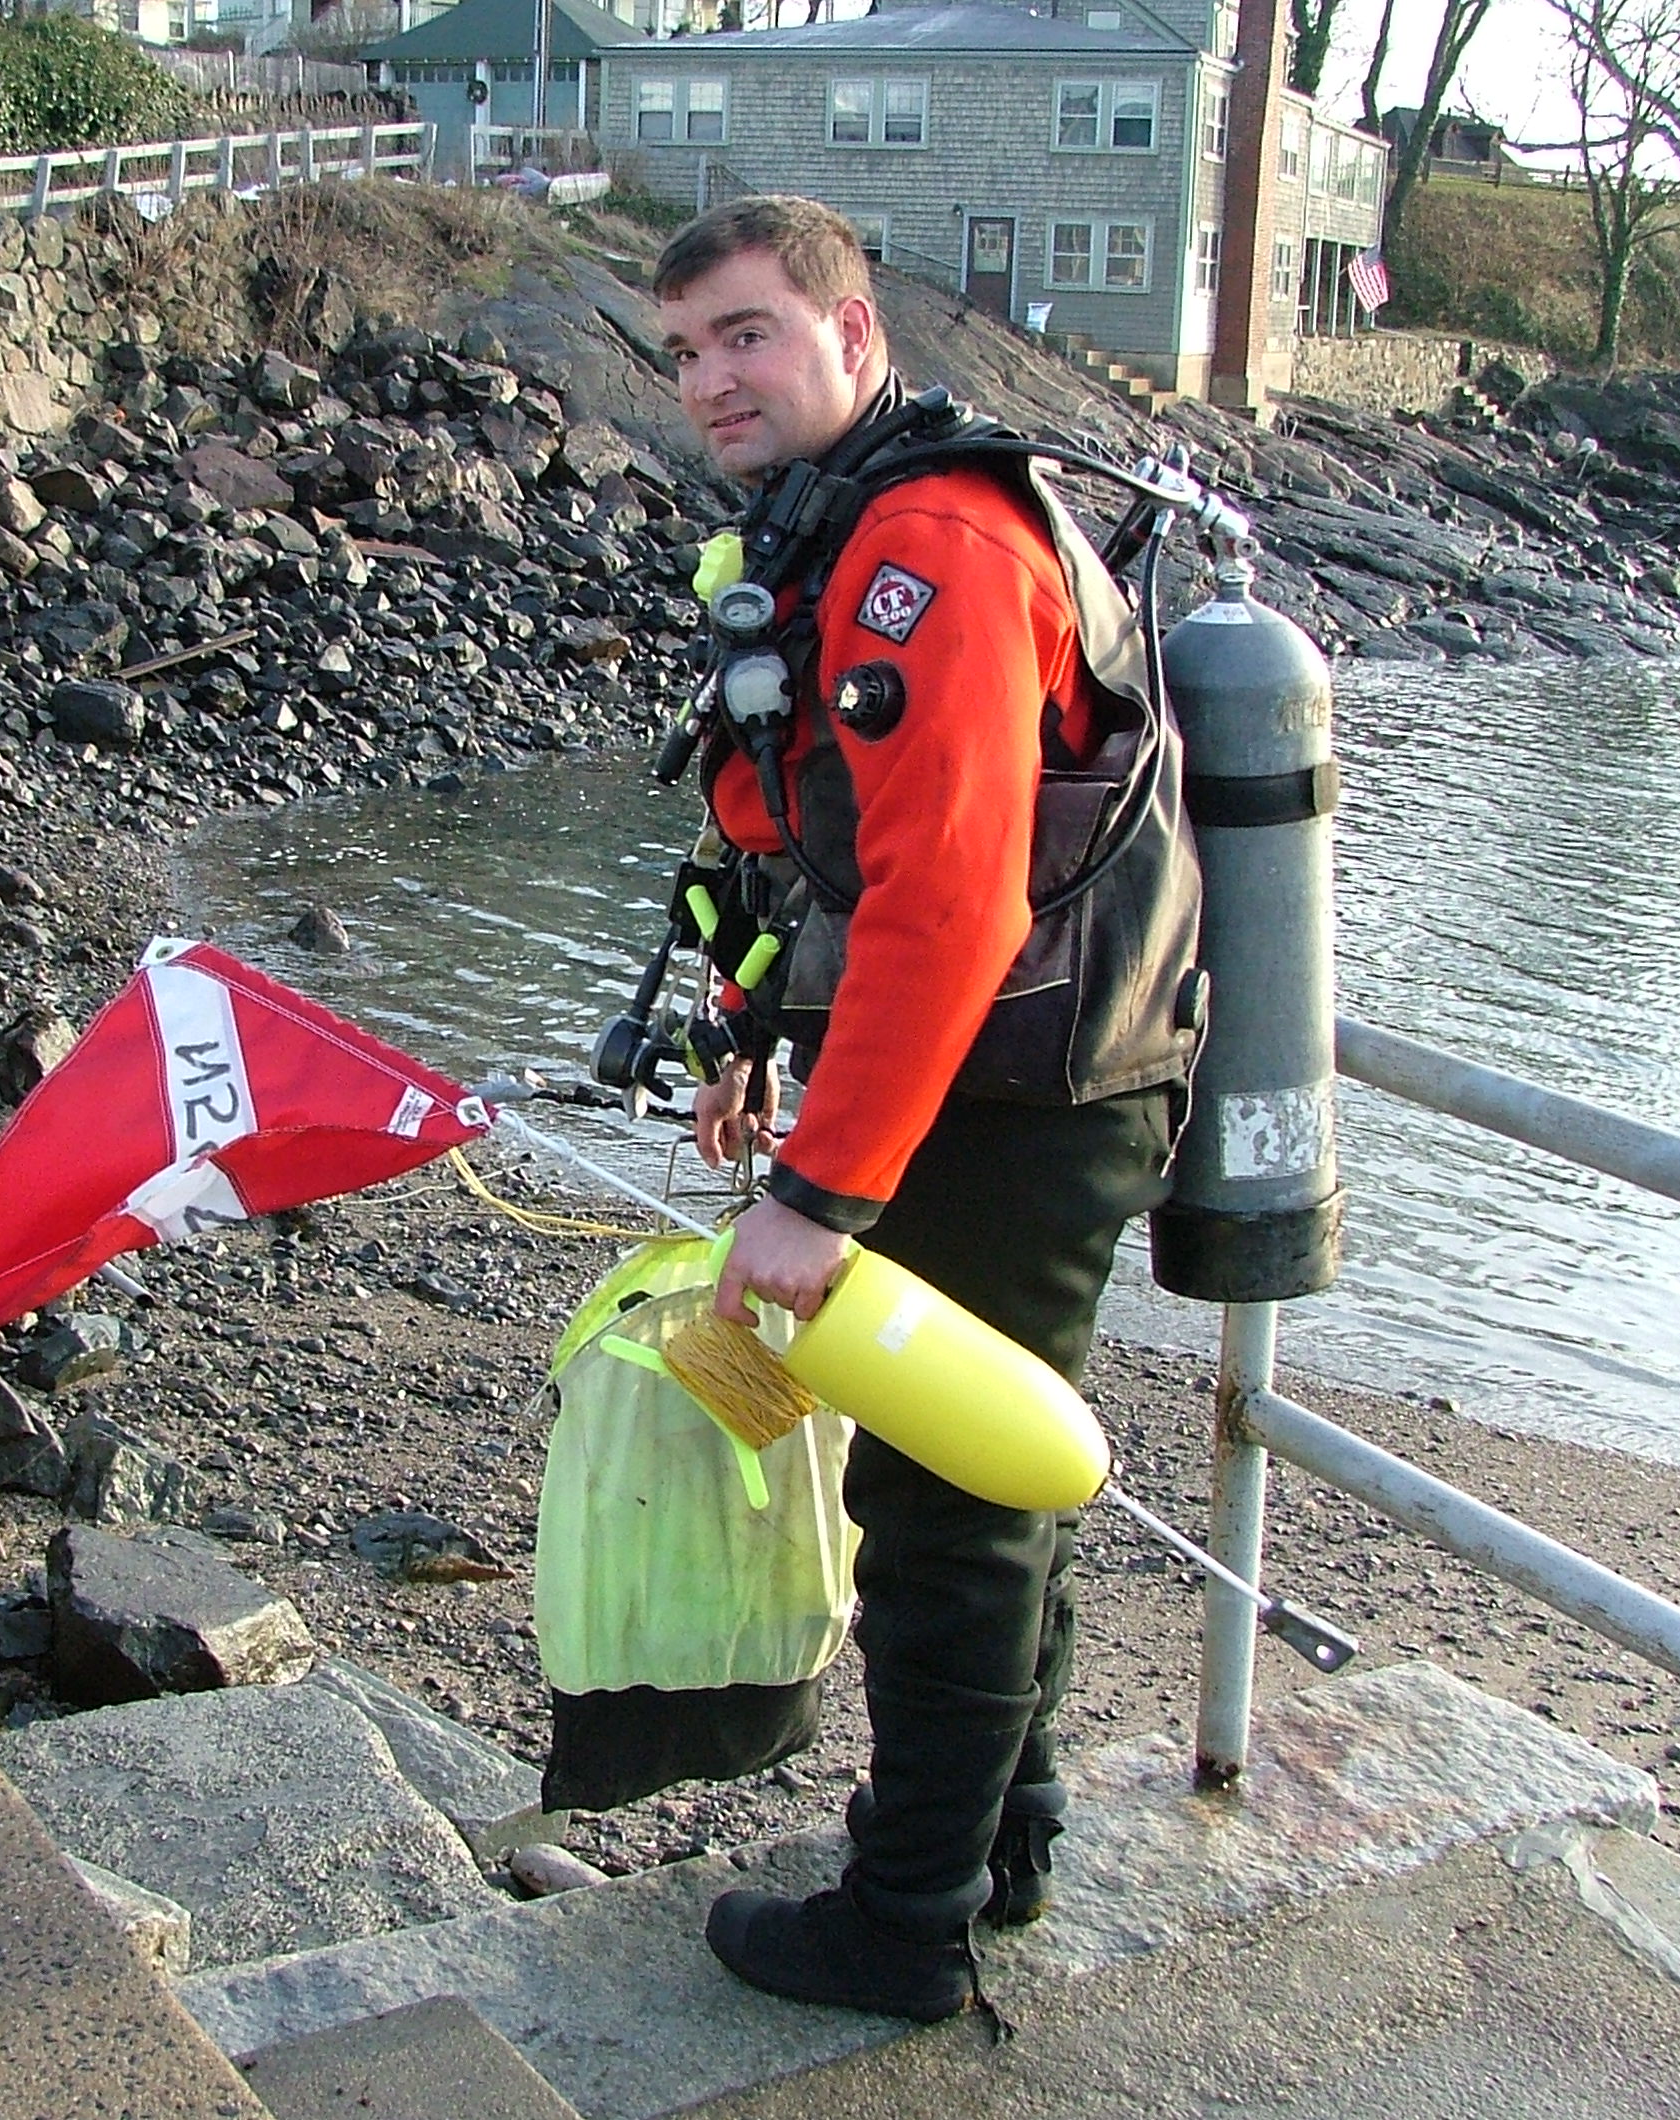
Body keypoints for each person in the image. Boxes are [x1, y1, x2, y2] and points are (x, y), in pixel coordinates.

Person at [651, 196, 1203, 2023]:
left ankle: (902, 1926)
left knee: (943, 1504)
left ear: (852, 334)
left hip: (1030, 1091)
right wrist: (749, 1024)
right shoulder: (843, 528)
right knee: (992, 1468)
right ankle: (1003, 1835)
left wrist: (814, 1198)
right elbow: (799, 828)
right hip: (1018, 1072)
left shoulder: (936, 547)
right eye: (686, 352)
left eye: (747, 334)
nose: (712, 380)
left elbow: (951, 902)